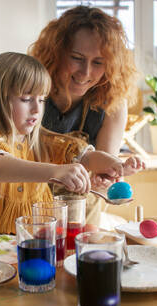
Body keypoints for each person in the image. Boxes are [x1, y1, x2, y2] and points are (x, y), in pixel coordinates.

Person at [0, 52, 143, 234]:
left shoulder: (38, 139)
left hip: (27, 239)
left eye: (41, 100)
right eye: (26, 99)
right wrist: (54, 172)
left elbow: (85, 156)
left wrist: (115, 165)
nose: (36, 109)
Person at [29, 5, 140, 223]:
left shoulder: (113, 103)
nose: (86, 72)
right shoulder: (32, 91)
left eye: (98, 62)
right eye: (77, 58)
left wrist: (105, 176)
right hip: (28, 207)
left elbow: (104, 161)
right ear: (57, 53)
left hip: (80, 213)